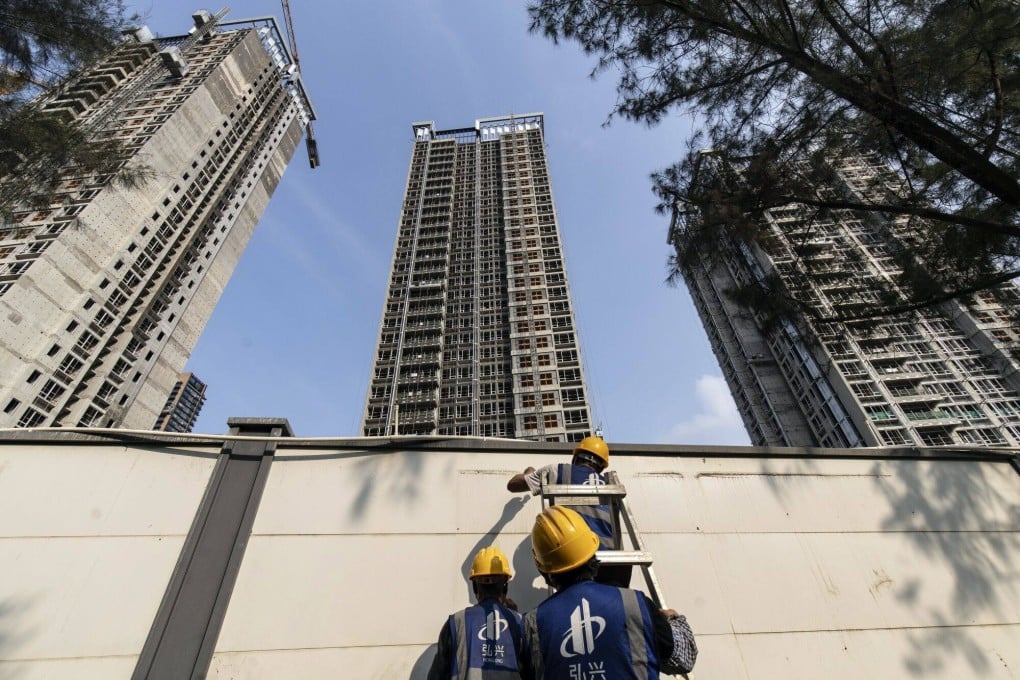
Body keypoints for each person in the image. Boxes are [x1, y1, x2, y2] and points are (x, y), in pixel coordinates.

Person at [522, 506, 697, 680]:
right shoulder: (635, 604)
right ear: (592, 552)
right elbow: (684, 659)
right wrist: (673, 619)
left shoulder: (532, 623)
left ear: (543, 570)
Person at [507, 436, 629, 586]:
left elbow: (512, 485)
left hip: (575, 562)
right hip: (612, 565)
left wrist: (529, 474)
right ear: (602, 466)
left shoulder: (557, 471)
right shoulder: (610, 484)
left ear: (576, 457)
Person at [428, 546, 527, 680]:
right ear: (505, 585)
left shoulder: (456, 622)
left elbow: (437, 675)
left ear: (475, 586)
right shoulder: (520, 623)